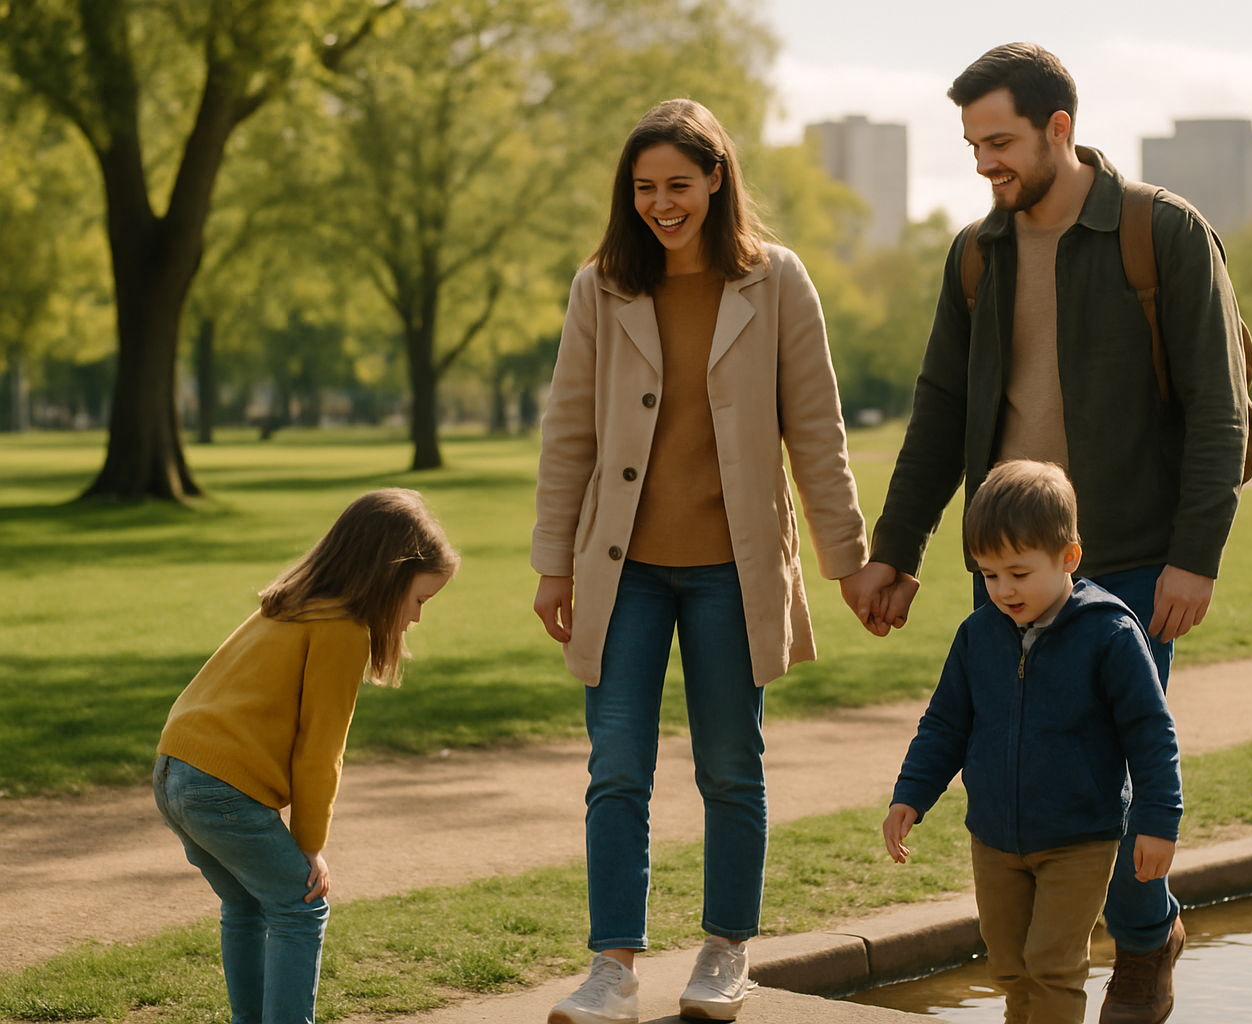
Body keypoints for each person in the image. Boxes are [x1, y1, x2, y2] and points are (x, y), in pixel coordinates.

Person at [841, 42, 1248, 1023]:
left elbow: (1218, 410)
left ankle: (1144, 943)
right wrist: (895, 550)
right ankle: (1133, 943)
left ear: (1058, 129)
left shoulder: (1163, 233)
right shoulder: (977, 255)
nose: (985, 162)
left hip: (1135, 562)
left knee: (1100, 793)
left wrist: (1194, 555)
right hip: (1013, 561)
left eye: (1001, 141)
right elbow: (941, 406)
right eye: (974, 143)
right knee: (1047, 785)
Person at [530, 98, 868, 1024]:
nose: (661, 204)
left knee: (731, 766)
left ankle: (725, 954)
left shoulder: (777, 281)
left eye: (678, 184)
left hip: (733, 570)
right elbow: (568, 435)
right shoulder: (600, 286)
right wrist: (552, 565)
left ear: (717, 178)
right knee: (616, 771)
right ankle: (613, 969)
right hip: (622, 570)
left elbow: (817, 433)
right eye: (644, 188)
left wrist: (850, 562)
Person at [883, 460, 1181, 1024]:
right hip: (994, 838)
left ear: (1068, 557)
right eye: (990, 575)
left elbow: (1151, 733)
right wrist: (911, 794)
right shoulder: (977, 635)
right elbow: (945, 724)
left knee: (1052, 966)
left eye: (1018, 573)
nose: (1003, 590)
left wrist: (1158, 820)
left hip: (1080, 839)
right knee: (1010, 967)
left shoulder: (1110, 635)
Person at [153, 488, 458, 1024]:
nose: (414, 618)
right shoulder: (344, 629)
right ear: (388, 575)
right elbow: (321, 752)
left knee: (247, 906)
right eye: (419, 600)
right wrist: (310, 846)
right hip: (221, 787)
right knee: (301, 907)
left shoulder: (291, 604)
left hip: (173, 770)